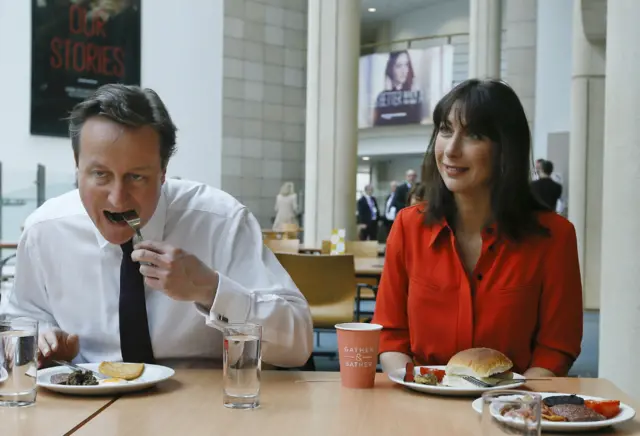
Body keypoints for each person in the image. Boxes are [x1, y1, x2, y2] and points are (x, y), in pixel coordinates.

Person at [1, 84, 313, 368]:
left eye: (137, 176)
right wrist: (40, 341)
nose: (118, 197)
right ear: (76, 166)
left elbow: (298, 345)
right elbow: (23, 318)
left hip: (200, 412)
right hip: (89, 410)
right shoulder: (44, 231)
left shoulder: (221, 221)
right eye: (100, 174)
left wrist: (211, 289)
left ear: (164, 172)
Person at [372, 79, 583, 378]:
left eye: (473, 135)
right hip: (422, 403)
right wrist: (417, 387)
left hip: (512, 407)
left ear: (505, 149)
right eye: (445, 130)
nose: (451, 150)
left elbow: (556, 348)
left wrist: (512, 408)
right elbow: (391, 335)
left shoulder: (555, 236)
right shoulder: (408, 226)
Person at [374, 50, 422, 126]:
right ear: (391, 68)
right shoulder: (382, 97)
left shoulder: (415, 96)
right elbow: (377, 125)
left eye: (406, 65)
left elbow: (417, 121)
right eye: (399, 66)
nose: (404, 71)